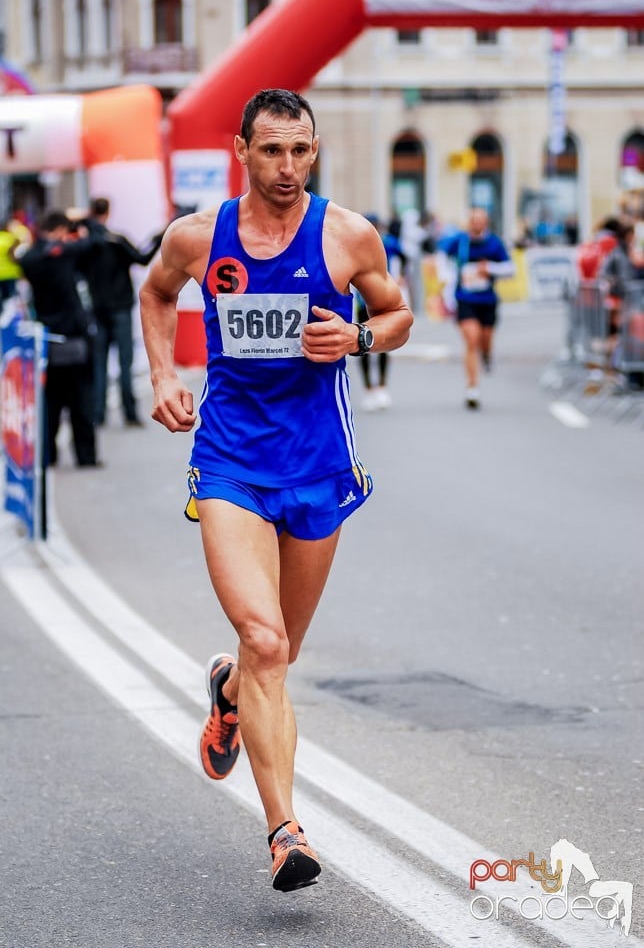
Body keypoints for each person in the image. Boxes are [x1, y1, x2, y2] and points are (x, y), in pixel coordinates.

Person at [139, 88, 412, 892]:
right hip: (228, 458)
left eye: (300, 151)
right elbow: (155, 293)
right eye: (271, 151)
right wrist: (162, 372)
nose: (287, 167)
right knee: (265, 642)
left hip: (319, 464)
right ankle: (285, 831)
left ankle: (227, 690)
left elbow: (397, 315)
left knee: (277, 653)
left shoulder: (346, 235)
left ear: (314, 151)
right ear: (241, 150)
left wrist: (358, 335)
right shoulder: (198, 238)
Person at [17, 210, 101, 467]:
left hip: (46, 339)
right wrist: (85, 221)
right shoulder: (66, 252)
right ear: (61, 230)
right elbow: (94, 241)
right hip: (74, 338)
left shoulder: (30, 259)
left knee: (50, 404)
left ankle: (48, 457)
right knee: (81, 403)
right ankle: (85, 457)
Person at [80, 197, 162, 427]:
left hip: (97, 308)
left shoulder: (86, 244)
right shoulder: (116, 240)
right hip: (121, 308)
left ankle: (98, 414)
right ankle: (130, 413)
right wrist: (159, 237)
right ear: (108, 211)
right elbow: (142, 258)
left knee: (100, 363)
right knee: (125, 363)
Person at [443, 208, 514, 409]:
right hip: (465, 298)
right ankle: (472, 388)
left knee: (485, 340)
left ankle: (487, 354)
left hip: (488, 300)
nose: (477, 224)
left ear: (486, 223)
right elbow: (441, 255)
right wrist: (445, 277)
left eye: (481, 221)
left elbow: (510, 269)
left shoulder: (494, 244)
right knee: (471, 340)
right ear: (469, 222)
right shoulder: (460, 241)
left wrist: (489, 268)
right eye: (474, 220)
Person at [357, 214, 407, 410]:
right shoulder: (358, 243)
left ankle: (382, 386)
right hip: (362, 302)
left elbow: (405, 258)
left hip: (385, 300)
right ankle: (369, 388)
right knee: (361, 345)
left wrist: (401, 276)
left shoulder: (390, 243)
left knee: (383, 344)